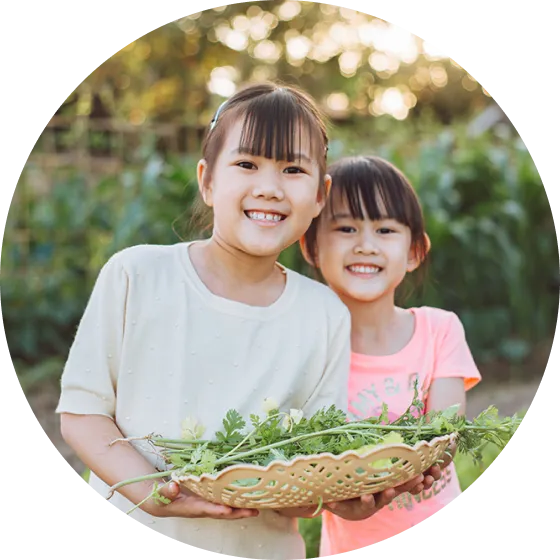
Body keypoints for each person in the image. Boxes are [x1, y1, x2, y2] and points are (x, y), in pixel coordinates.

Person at [55, 83, 431, 560]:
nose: (270, 188)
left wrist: (345, 502)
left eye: (293, 169)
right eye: (247, 164)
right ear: (207, 180)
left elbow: (307, 470)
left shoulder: (323, 315)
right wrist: (156, 494)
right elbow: (82, 413)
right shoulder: (136, 275)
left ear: (320, 195)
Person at [300, 155, 482, 557]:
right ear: (311, 245)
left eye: (384, 229)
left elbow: (442, 437)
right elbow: (302, 472)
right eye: (346, 228)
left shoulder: (439, 330)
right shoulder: (306, 350)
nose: (365, 245)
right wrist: (334, 497)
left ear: (414, 250)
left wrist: (382, 476)